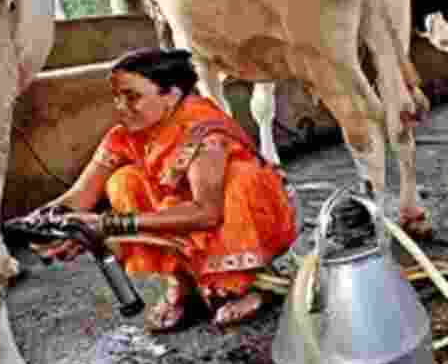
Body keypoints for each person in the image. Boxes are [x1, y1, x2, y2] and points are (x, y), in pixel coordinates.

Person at [31, 48, 299, 332]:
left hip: (246, 216)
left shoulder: (204, 132)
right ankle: (182, 283)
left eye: (132, 96)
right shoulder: (126, 134)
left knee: (240, 180)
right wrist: (45, 220)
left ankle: (247, 285)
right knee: (123, 181)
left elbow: (207, 213)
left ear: (171, 95)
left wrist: (108, 224)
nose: (120, 106)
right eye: (117, 97)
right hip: (186, 214)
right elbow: (80, 195)